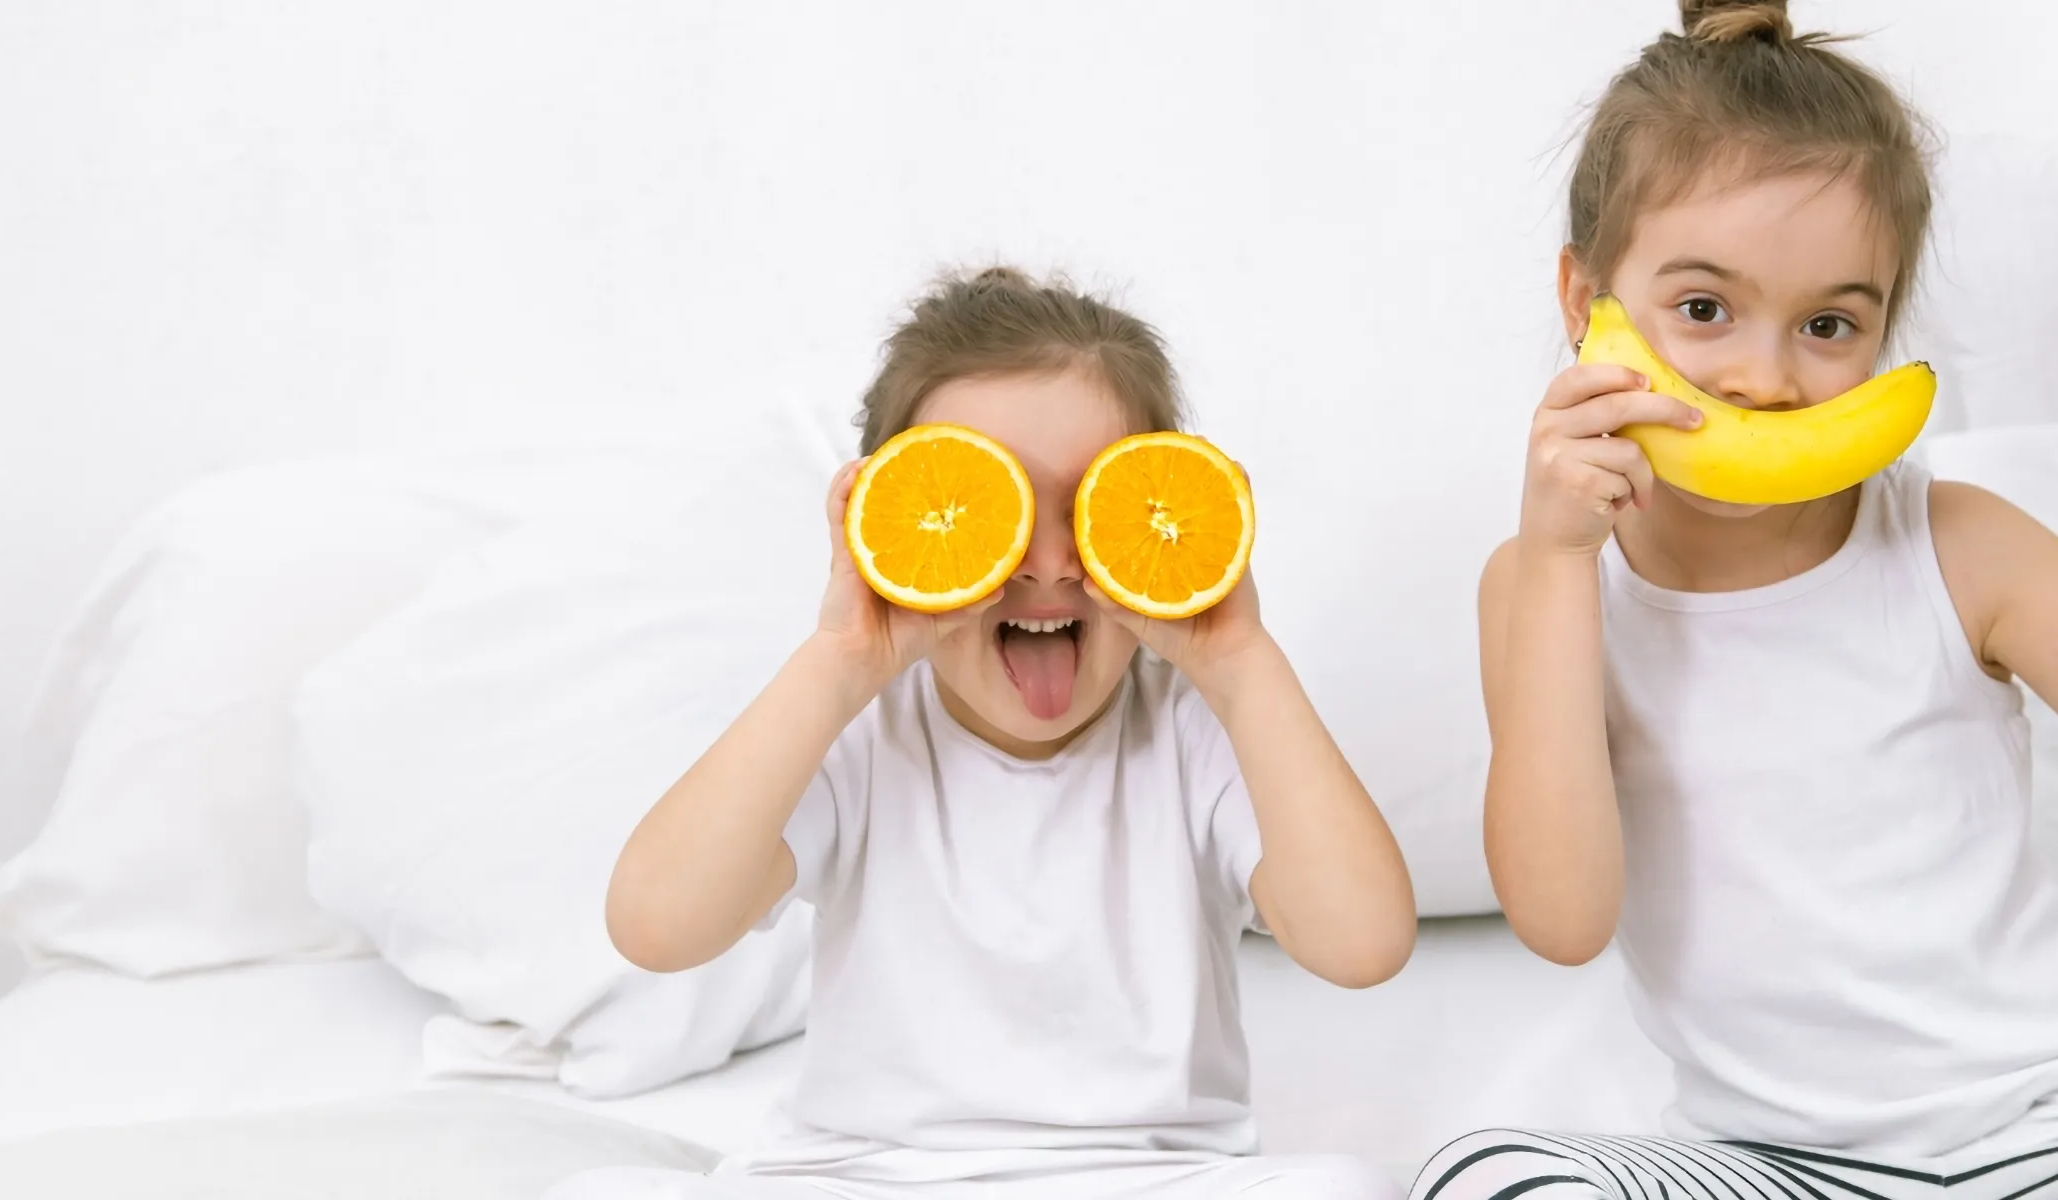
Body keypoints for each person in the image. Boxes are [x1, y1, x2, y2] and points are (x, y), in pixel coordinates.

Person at [1418, 3, 2058, 1198]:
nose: (1762, 377)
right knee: (1488, 1173)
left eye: (1828, 324)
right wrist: (1556, 565)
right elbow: (1561, 919)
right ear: (1582, 296)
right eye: (1702, 309)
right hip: (1771, 1167)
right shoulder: (1540, 583)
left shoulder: (1957, 548)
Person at [553, 266, 1417, 1200]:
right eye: (986, 512)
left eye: (1091, 509)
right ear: (894, 524)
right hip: (862, 1178)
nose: (1043, 565)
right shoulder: (860, 736)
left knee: (1340, 1187)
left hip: (1142, 1182)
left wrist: (1244, 661)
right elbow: (656, 926)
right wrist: (838, 659)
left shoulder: (1197, 731)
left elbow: (1363, 944)